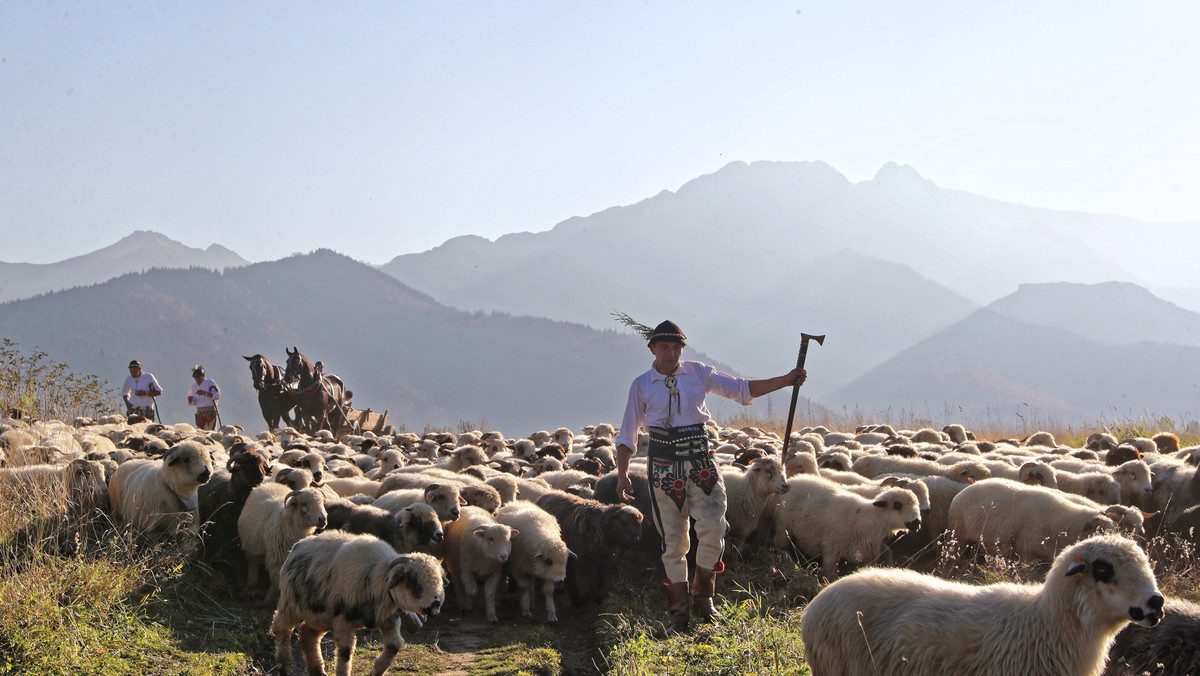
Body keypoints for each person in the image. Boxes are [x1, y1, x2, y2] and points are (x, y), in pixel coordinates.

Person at [614, 320, 807, 636]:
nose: (671, 352)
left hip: (702, 460)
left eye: (676, 347)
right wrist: (623, 475)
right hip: (663, 466)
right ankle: (679, 614)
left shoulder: (699, 373)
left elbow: (741, 389)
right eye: (664, 347)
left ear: (682, 349)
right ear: (652, 349)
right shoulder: (641, 385)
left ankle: (703, 600)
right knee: (674, 540)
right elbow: (627, 434)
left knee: (715, 528)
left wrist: (786, 380)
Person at [187, 365, 221, 430]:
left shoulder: (210, 382)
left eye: (199, 377)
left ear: (203, 376)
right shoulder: (194, 386)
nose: (197, 379)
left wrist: (205, 393)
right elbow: (192, 400)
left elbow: (217, 395)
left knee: (210, 431)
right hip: (199, 412)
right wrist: (191, 400)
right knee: (201, 432)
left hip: (210, 410)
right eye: (196, 377)